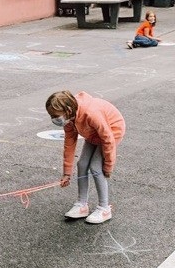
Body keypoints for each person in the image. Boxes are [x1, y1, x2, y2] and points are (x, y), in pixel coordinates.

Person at [46, 90, 126, 225]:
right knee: (82, 164)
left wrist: (108, 165)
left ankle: (104, 208)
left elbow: (108, 140)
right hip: (93, 134)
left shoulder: (91, 113)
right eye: (51, 116)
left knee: (96, 167)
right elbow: (69, 144)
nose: (53, 119)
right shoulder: (69, 120)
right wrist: (67, 173)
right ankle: (82, 205)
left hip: (112, 131)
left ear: (68, 110)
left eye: (55, 116)